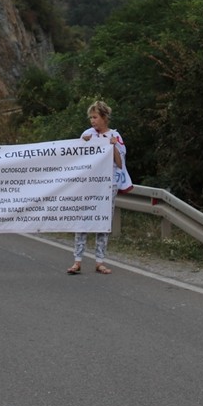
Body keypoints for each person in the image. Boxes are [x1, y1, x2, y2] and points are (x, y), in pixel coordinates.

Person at [68, 100, 131, 276]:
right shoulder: (87, 134)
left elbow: (120, 164)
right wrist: (83, 144)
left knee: (103, 222)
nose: (92, 121)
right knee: (82, 220)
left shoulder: (115, 136)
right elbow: (76, 159)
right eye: (91, 118)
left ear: (104, 117)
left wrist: (113, 147)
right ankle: (77, 261)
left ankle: (100, 261)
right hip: (88, 185)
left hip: (107, 185)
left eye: (95, 117)